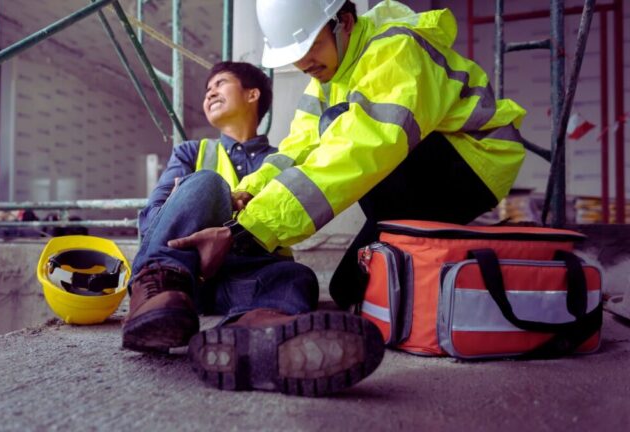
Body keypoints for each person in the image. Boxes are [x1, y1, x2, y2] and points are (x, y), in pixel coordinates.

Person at [174, 0, 528, 310]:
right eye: (293, 53)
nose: (303, 62)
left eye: (310, 45)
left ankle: (471, 248)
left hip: (472, 162)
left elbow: (361, 149)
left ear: (343, 22)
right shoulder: (326, 80)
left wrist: (249, 230)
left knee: (337, 125)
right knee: (348, 290)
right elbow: (297, 150)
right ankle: (436, 247)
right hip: (418, 169)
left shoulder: (396, 50)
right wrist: (244, 196)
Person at [123, 61, 385, 397]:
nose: (210, 92)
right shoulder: (192, 152)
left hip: (246, 277)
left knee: (296, 276)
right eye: (207, 90)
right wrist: (218, 201)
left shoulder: (282, 160)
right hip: (185, 275)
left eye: (220, 83)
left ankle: (255, 333)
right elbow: (152, 217)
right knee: (207, 184)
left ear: (253, 94)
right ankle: (156, 296)